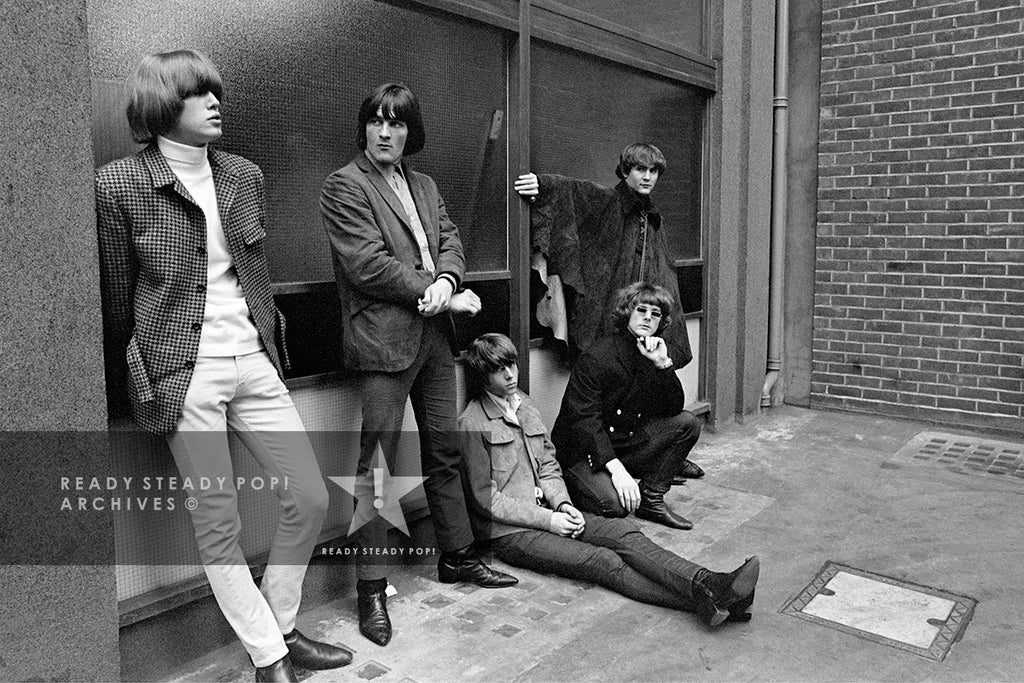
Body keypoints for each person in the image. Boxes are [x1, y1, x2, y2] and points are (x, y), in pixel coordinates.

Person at [95, 50, 350, 682]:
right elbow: (116, 300)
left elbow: (254, 275)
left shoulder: (243, 174)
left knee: (310, 495)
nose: (216, 103)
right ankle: (270, 656)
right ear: (161, 107)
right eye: (198, 94)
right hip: (182, 371)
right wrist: (144, 379)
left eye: (217, 92)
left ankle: (283, 627)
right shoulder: (118, 184)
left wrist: (267, 345)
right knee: (219, 522)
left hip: (255, 360)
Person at [320, 83, 517, 648]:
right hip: (384, 342)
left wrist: (449, 282)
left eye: (398, 124)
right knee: (376, 464)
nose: (386, 132)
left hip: (434, 336)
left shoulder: (425, 185)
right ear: (364, 127)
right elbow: (367, 265)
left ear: (411, 131)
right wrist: (436, 293)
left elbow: (451, 240)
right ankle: (371, 589)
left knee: (444, 448)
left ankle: (456, 556)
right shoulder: (344, 185)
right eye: (378, 122)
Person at [458, 333, 759, 626]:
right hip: (510, 534)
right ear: (483, 376)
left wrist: (562, 504)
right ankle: (712, 599)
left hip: (552, 512)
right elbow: (486, 498)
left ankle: (709, 584)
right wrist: (549, 521)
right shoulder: (472, 422)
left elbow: (548, 464)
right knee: (602, 561)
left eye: (512, 365)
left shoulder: (524, 404)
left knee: (622, 531)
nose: (511, 375)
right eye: (499, 369)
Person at [513, 143, 694, 371]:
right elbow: (574, 192)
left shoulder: (653, 219)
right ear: (626, 171)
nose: (647, 177)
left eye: (653, 171)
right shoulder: (608, 201)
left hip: (642, 323)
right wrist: (542, 185)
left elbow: (665, 274)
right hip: (609, 319)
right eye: (640, 169)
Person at [551, 282, 703, 530]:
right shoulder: (598, 356)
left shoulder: (652, 350)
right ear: (627, 312)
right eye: (641, 310)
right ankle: (578, 486)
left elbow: (673, 409)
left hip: (624, 442)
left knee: (688, 423)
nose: (647, 318)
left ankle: (651, 498)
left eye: (655, 314)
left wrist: (664, 364)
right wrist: (617, 470)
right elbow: (585, 421)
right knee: (615, 506)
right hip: (583, 452)